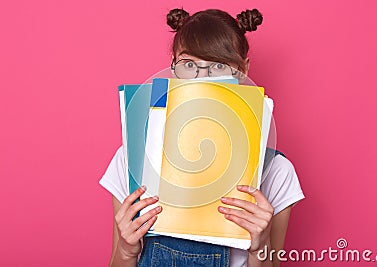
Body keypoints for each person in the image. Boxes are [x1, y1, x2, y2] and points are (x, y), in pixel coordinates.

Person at [99, 8, 305, 267]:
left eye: (219, 66)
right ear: (173, 65)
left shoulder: (277, 171)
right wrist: (126, 251)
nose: (202, 79)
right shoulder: (133, 158)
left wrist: (259, 248)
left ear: (243, 70)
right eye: (189, 65)